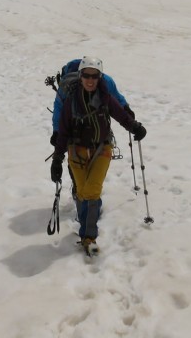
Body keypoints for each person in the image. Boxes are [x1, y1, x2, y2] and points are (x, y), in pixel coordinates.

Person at [51, 57, 145, 255]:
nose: (90, 80)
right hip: (76, 150)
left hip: (102, 148)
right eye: (86, 75)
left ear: (100, 77)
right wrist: (57, 159)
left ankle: (89, 236)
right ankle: (86, 226)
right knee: (83, 191)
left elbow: (120, 114)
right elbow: (63, 131)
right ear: (81, 76)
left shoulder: (105, 96)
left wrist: (135, 127)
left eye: (94, 76)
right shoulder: (70, 102)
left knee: (91, 191)